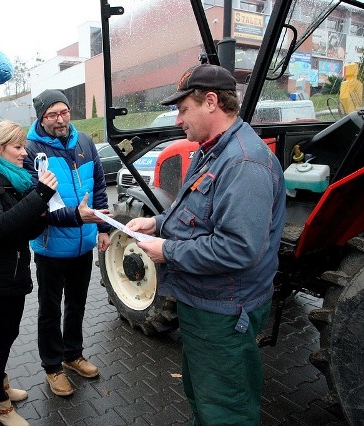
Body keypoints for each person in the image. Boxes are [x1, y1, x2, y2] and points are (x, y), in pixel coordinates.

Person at [127, 64, 286, 424]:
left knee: (226, 409)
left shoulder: (243, 162)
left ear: (211, 101)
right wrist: (156, 222)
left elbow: (239, 249)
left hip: (225, 310)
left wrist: (166, 250)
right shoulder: (210, 152)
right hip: (204, 302)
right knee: (203, 395)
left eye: (183, 110)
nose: (178, 120)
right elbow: (196, 212)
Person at [23, 89, 112, 397]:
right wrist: (77, 215)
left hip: (84, 243)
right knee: (49, 309)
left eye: (64, 112)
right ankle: (52, 367)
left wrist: (102, 228)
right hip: (50, 247)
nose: (60, 119)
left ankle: (72, 355)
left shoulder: (85, 142)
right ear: (41, 118)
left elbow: (99, 187)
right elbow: (37, 205)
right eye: (52, 114)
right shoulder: (30, 150)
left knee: (77, 303)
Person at [0, 120, 57, 425]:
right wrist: (40, 197)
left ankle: (0, 385)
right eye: (18, 147)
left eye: (24, 146)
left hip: (15, 277)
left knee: (8, 336)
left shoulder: (16, 180)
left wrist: (43, 212)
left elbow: (24, 229)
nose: (25, 153)